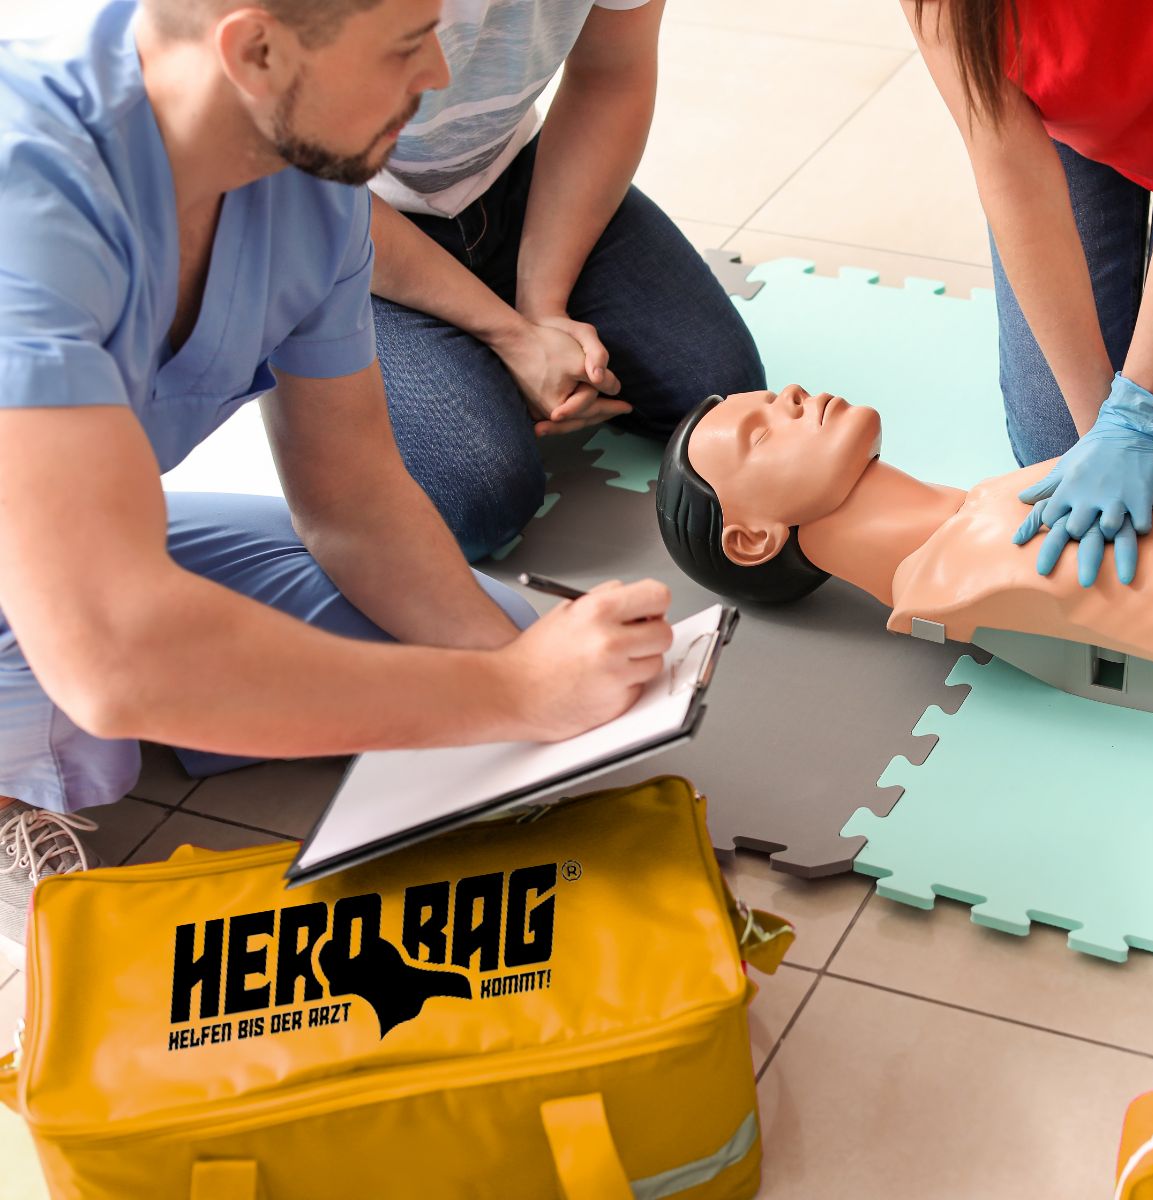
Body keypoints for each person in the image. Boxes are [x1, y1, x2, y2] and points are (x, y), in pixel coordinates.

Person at [0, 0, 672, 968]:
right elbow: (113, 660)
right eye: (406, 45)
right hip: (61, 594)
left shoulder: (308, 178)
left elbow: (354, 501)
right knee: (101, 690)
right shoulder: (27, 199)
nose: (439, 74)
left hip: (58, 535)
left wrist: (535, 690)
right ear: (256, 51)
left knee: (496, 635)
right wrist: (512, 694)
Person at [367, 0, 766, 562]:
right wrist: (515, 338)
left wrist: (544, 310)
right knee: (477, 502)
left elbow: (611, 74)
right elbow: (300, 191)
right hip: (343, 222)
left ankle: (496, 369)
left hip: (517, 172)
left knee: (723, 396)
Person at [903, 0, 1153, 585]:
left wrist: (1138, 417)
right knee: (1054, 445)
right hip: (1082, 117)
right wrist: (1099, 432)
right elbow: (1007, 162)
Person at [657, 387, 1153, 687]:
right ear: (753, 539)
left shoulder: (991, 504)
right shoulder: (977, 574)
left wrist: (1125, 427)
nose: (794, 395)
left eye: (775, 396)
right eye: (760, 434)